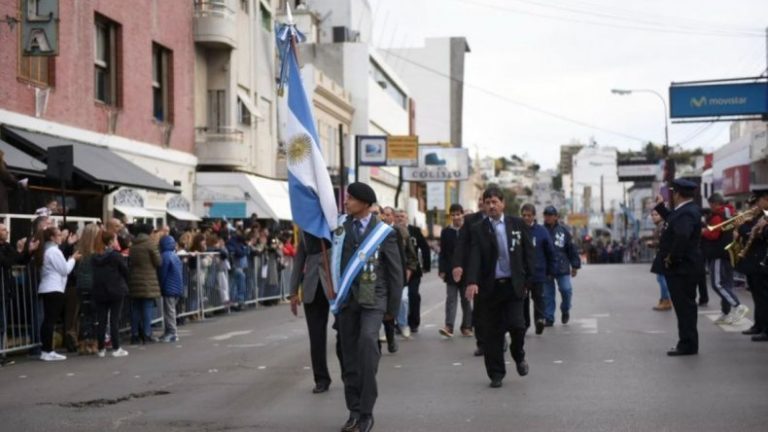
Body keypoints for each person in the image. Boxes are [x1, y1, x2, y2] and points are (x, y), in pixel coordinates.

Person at [336, 182, 403, 432]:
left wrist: (392, 310)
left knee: (367, 343)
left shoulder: (385, 232)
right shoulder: (340, 230)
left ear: (365, 203)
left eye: (351, 198)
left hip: (374, 300)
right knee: (348, 357)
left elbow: (396, 273)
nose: (346, 202)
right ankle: (353, 411)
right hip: (347, 302)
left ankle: (366, 412)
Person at [465, 186, 534, 388]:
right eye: (487, 202)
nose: (491, 206)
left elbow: (528, 253)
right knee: (492, 333)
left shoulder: (518, 225)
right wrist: (472, 282)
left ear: (502, 203)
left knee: (518, 326)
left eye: (495, 202)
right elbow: (475, 257)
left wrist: (529, 281)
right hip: (490, 289)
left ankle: (518, 354)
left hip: (513, 286)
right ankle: (496, 373)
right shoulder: (479, 229)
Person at [652, 179, 703, 356]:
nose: (672, 196)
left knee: (685, 308)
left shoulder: (687, 213)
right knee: (684, 307)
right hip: (683, 267)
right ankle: (687, 342)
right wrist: (660, 207)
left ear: (678, 194)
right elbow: (673, 220)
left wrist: (672, 257)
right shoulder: (684, 211)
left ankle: (688, 344)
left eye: (673, 193)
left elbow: (682, 235)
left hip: (683, 268)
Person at [289, 230, 336, 394]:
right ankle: (321, 378)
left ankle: (350, 375)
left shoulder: (335, 224)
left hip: (335, 285)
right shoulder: (305, 230)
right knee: (316, 337)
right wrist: (293, 292)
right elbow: (299, 259)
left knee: (345, 334)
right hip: (312, 287)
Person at [702, 194, 748, 324]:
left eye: (711, 204)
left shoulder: (718, 216)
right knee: (727, 284)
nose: (710, 207)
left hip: (718, 253)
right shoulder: (731, 213)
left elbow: (714, 234)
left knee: (717, 284)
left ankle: (738, 306)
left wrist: (704, 231)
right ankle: (725, 312)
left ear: (715, 204)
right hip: (729, 252)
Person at [36, 226, 81, 361]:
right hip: (54, 288)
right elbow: (65, 269)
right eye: (59, 235)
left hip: (48, 287)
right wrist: (73, 258)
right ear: (52, 237)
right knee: (50, 320)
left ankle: (47, 349)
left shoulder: (47, 251)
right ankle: (47, 350)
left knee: (48, 320)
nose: (61, 237)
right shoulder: (54, 252)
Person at [453, 196, 487, 356]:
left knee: (498, 309)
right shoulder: (470, 220)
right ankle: (482, 343)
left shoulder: (504, 221)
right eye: (481, 201)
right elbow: (462, 244)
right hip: (476, 272)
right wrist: (458, 265)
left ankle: (499, 340)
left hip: (498, 272)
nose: (484, 204)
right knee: (479, 309)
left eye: (488, 200)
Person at [736, 189, 768, 341]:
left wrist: (743, 226)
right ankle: (758, 324)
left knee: (763, 297)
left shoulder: (765, 217)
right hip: (753, 261)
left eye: (758, 201)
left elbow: (753, 235)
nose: (755, 205)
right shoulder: (758, 217)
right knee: (757, 295)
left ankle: (766, 329)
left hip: (762, 262)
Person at [91, 230, 129, 357]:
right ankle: (116, 348)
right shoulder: (115, 256)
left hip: (100, 290)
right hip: (115, 290)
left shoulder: (95, 257)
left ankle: (101, 348)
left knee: (101, 320)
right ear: (111, 241)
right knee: (114, 320)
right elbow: (125, 271)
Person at [520, 203, 556, 335]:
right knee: (523, 299)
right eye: (524, 215)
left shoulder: (541, 231)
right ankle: (525, 323)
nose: (526, 218)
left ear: (534, 216)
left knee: (539, 298)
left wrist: (551, 270)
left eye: (529, 215)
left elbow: (550, 251)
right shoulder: (517, 230)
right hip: (523, 274)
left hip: (539, 272)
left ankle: (540, 320)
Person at [542, 206, 580, 326]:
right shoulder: (540, 230)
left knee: (566, 290)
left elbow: (571, 249)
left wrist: (575, 265)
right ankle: (549, 317)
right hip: (546, 268)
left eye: (550, 215)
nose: (548, 217)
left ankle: (565, 309)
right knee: (548, 294)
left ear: (556, 217)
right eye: (546, 215)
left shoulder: (563, 231)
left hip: (562, 266)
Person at [438, 204, 473, 338]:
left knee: (466, 300)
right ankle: (449, 327)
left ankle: (467, 326)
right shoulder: (446, 232)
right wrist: (442, 270)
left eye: (458, 214)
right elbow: (443, 253)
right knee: (451, 299)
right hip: (451, 272)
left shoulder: (469, 230)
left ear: (462, 214)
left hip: (467, 272)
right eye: (453, 215)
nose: (456, 217)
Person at [398, 209, 431, 334]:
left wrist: (426, 266)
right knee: (399, 298)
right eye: (398, 216)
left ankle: (413, 322)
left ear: (407, 218)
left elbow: (425, 247)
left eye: (402, 216)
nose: (400, 218)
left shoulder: (414, 231)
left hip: (414, 269)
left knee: (413, 295)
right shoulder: (392, 231)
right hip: (398, 270)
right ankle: (399, 322)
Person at [128, 224, 162, 344]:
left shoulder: (133, 245)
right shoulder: (150, 244)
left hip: (134, 279)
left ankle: (135, 334)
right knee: (147, 308)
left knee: (136, 309)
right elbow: (158, 261)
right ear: (149, 232)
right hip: (148, 280)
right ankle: (147, 333)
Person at [159, 235, 184, 343]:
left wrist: (161, 284)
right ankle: (169, 331)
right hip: (177, 286)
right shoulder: (175, 255)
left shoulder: (165, 256)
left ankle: (172, 333)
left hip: (169, 287)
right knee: (170, 311)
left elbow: (163, 273)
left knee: (169, 311)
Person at [647, 209, 672, 311]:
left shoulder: (662, 225)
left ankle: (665, 300)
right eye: (652, 215)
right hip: (662, 253)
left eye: (656, 214)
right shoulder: (660, 225)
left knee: (662, 278)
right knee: (660, 278)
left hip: (663, 254)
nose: (654, 217)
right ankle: (664, 299)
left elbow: (663, 241)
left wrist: (652, 243)